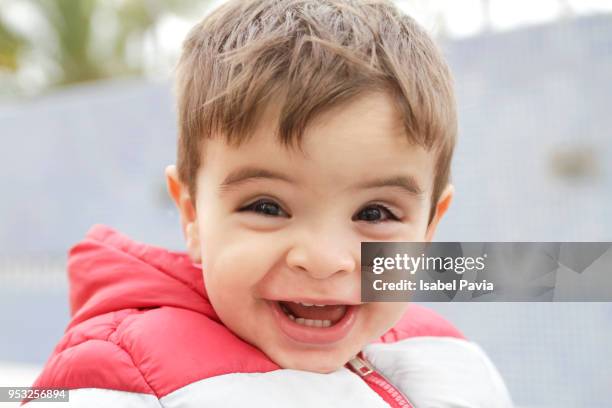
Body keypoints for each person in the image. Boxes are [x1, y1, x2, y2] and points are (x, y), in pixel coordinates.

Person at [28, 0, 513, 406]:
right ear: (193, 215)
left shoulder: (450, 356)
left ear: (429, 229)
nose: (324, 260)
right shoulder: (115, 380)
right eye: (266, 207)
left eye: (375, 214)